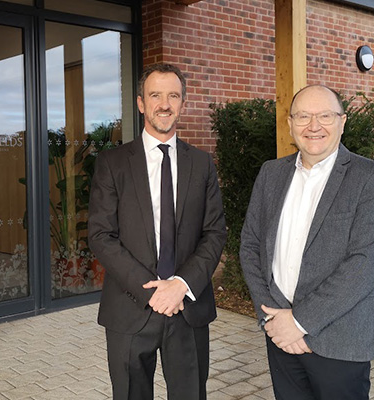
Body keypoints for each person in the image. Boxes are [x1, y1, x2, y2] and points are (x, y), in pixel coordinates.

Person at [239, 84, 374, 399]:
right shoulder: (271, 174)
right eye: (303, 116)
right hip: (280, 334)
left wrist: (299, 322)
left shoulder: (371, 177)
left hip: (339, 340)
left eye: (325, 116)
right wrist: (272, 317)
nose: (313, 126)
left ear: (342, 121)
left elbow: (365, 263)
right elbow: (251, 246)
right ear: (290, 124)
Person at [88, 63, 227, 400]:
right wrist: (151, 290)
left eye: (173, 96)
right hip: (130, 305)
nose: (164, 104)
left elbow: (214, 233)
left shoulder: (202, 163)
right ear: (140, 103)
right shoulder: (112, 163)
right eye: (155, 95)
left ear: (183, 103)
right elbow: (101, 235)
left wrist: (180, 285)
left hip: (187, 308)